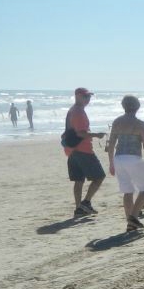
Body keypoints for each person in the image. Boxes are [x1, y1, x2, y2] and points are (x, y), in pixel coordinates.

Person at [105, 95, 144, 233]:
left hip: (119, 158)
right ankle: (133, 217)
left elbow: (111, 144)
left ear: (124, 106)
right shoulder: (140, 124)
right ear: (137, 107)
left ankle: (130, 225)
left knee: (127, 191)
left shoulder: (117, 122)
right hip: (133, 158)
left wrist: (111, 163)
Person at [64, 87, 107, 217]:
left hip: (71, 150)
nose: (88, 99)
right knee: (99, 177)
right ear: (77, 96)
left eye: (89, 97)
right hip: (83, 150)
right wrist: (97, 135)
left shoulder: (72, 110)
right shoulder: (78, 112)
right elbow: (81, 133)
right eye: (85, 96)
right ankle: (86, 202)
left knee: (79, 180)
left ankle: (79, 208)